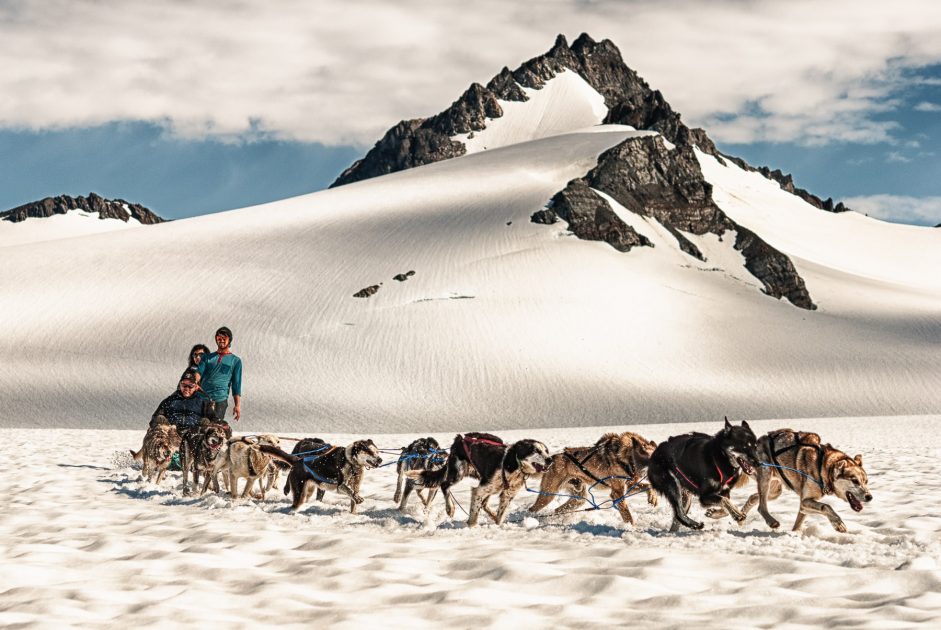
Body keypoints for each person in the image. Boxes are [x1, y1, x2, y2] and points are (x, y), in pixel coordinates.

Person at [198, 326, 243, 423]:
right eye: (219, 338)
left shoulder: (235, 361)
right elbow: (198, 373)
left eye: (224, 338)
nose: (221, 340)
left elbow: (236, 384)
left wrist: (237, 405)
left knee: (214, 427)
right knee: (199, 425)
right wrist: (194, 382)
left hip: (220, 400)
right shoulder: (207, 358)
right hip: (202, 398)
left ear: (229, 340)